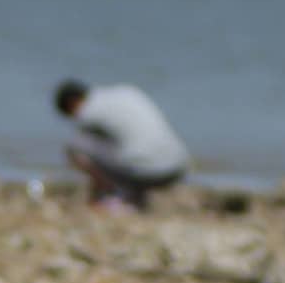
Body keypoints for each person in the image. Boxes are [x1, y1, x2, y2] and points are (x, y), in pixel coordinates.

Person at [53, 78, 190, 209]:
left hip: (147, 174)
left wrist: (95, 191)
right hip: (178, 167)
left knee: (75, 148)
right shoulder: (127, 92)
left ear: (72, 103)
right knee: (130, 145)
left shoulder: (87, 111)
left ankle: (114, 194)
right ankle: (134, 194)